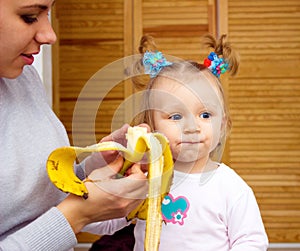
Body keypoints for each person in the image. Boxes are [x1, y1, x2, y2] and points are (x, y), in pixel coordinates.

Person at [88, 34, 269, 251]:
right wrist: (94, 186)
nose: (192, 127)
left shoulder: (231, 187)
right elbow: (101, 221)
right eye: (175, 116)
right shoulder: (143, 180)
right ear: (152, 127)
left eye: (205, 115)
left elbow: (252, 243)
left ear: (222, 125)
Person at [0, 0, 148, 250]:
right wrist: (77, 216)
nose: (50, 35)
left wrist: (92, 167)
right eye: (30, 16)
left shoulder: (23, 78)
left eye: (49, 13)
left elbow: (36, 200)